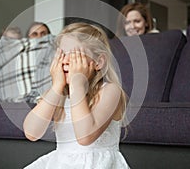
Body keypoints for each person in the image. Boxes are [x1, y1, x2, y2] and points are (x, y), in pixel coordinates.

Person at [23, 22, 130, 168]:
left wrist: (77, 85)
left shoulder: (110, 91)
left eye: (74, 55)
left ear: (98, 62)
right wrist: (56, 87)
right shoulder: (57, 94)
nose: (66, 61)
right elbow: (31, 133)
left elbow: (85, 136)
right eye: (61, 54)